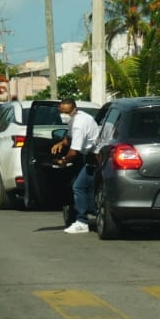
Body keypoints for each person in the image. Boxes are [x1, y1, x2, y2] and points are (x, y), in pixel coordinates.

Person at [59, 98, 100, 234]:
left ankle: (82, 221)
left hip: (93, 158)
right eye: (61, 111)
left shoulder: (79, 124)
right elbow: (69, 137)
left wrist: (63, 161)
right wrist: (60, 143)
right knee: (87, 188)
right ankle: (94, 214)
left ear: (73, 109)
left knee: (78, 186)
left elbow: (73, 151)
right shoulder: (77, 118)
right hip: (89, 157)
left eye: (65, 112)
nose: (63, 115)